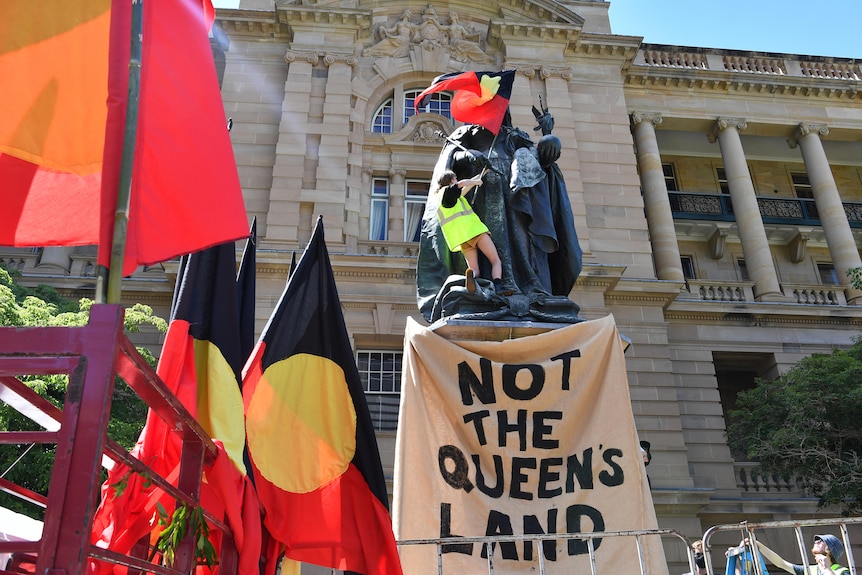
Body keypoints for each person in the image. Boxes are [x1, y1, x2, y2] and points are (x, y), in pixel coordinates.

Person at [416, 109, 583, 323]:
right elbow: (445, 174)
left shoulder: (516, 138)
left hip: (517, 201)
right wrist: (466, 156)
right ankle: (487, 286)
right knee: (492, 247)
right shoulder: (464, 137)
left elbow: (541, 163)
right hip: (482, 202)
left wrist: (550, 141)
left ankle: (529, 286)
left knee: (521, 244)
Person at [435, 169, 503, 295]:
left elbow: (465, 187)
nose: (456, 180)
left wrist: (484, 171)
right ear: (451, 180)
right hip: (474, 231)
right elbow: (462, 184)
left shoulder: (443, 199)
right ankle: (499, 287)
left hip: (462, 239)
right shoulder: (448, 192)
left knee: (474, 269)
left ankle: (470, 275)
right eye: (454, 178)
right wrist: (476, 182)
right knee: (495, 260)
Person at [754, 534, 849, 575]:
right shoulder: (810, 570)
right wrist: (758, 545)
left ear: (830, 549)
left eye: (821, 541)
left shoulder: (842, 571)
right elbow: (781, 563)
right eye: (816, 540)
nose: (816, 541)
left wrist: (826, 569)